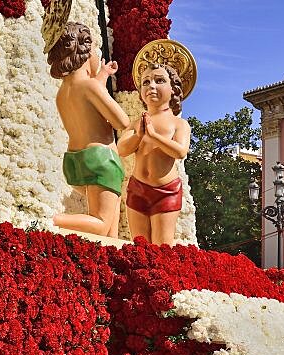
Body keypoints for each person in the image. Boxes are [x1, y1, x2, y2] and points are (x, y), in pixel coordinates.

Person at [48, 22, 131, 237]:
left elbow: (88, 107)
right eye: (94, 49)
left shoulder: (63, 92)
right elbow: (121, 121)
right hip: (100, 159)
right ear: (84, 51)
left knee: (110, 232)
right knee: (101, 222)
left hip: (75, 160)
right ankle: (47, 218)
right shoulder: (90, 86)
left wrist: (101, 75)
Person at [118, 61, 191, 245]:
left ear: (173, 88)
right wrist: (140, 135)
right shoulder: (136, 124)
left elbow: (180, 151)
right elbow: (122, 149)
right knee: (140, 246)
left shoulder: (178, 124)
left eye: (159, 80)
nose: (151, 86)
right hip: (138, 188)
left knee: (162, 247)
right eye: (146, 82)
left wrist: (153, 135)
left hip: (166, 191)